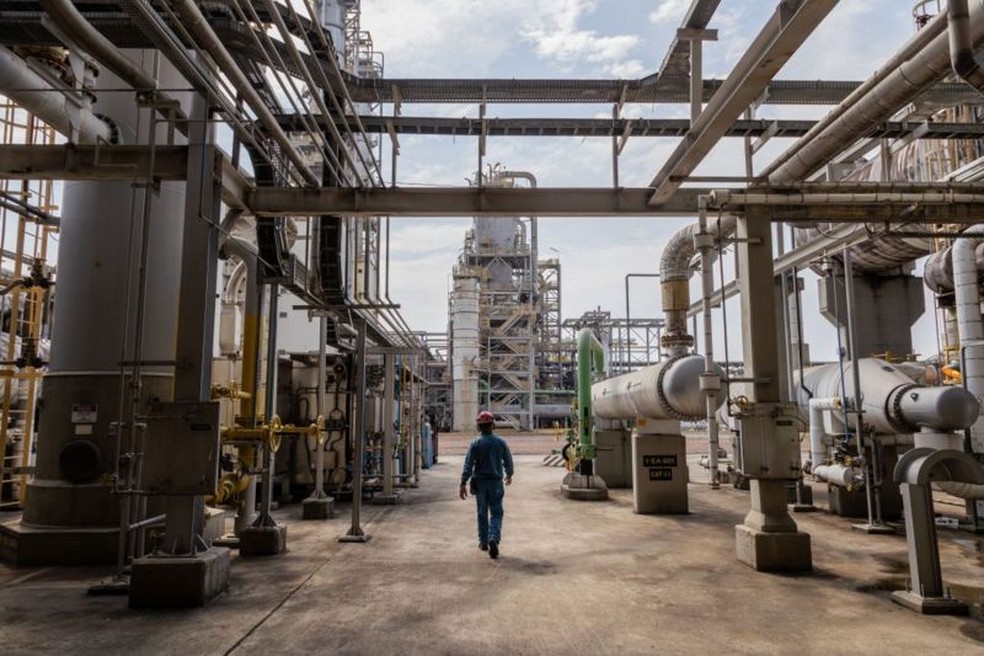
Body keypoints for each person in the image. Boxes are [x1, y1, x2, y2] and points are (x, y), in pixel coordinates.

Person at [459, 410, 514, 559]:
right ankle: (493, 538)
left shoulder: (476, 444)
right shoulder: (501, 443)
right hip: (496, 483)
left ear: (479, 427)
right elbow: (508, 461)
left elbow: (468, 465)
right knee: (496, 513)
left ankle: (483, 542)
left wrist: (463, 482)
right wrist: (509, 474)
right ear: (493, 426)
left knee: (482, 513)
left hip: (480, 484)